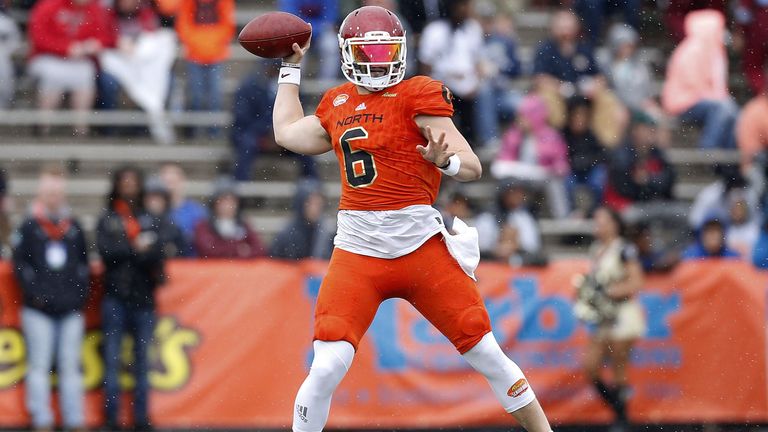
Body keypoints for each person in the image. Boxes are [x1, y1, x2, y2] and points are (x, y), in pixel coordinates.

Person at [272, 5, 552, 432]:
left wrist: (447, 164)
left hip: (420, 247)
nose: (379, 61)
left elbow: (472, 165)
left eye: (386, 52)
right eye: (369, 52)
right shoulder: (337, 101)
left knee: (485, 351)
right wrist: (290, 69)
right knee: (327, 366)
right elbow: (286, 133)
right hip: (358, 250)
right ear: (350, 54)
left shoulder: (416, 94)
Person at [11, 166, 88, 432]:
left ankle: (74, 419)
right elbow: (20, 267)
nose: (54, 196)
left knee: (70, 366)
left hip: (69, 309)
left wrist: (77, 297)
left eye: (58, 191)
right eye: (49, 191)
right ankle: (41, 419)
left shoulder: (73, 227)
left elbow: (83, 266)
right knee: (39, 365)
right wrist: (37, 296)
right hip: (38, 309)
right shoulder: (30, 226)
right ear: (41, 193)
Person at [96, 166, 168, 431]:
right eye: (124, 181)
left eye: (132, 182)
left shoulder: (148, 217)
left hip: (142, 298)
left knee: (142, 364)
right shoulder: (109, 218)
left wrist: (128, 251)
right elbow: (106, 252)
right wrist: (135, 249)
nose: (129, 186)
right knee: (112, 362)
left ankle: (141, 418)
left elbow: (157, 253)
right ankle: (111, 418)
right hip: (116, 297)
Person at [580, 206, 646, 432]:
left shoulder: (624, 249)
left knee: (619, 365)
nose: (598, 225)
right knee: (591, 368)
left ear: (614, 224)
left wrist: (610, 291)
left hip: (622, 314)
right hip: (603, 315)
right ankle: (618, 408)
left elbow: (636, 281)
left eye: (602, 220)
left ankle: (622, 419)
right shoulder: (596, 248)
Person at [532, 9, 627, 147]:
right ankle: (554, 143)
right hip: (558, 94)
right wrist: (561, 87)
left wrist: (592, 86)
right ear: (553, 28)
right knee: (547, 98)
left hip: (583, 95)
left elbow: (600, 77)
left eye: (568, 26)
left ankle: (606, 145)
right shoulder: (545, 49)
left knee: (608, 99)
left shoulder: (584, 48)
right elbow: (539, 78)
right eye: (562, 26)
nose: (565, 31)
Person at [27, 0, 114, 135]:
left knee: (86, 73)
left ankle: (80, 129)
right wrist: (65, 48)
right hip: (48, 57)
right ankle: (43, 126)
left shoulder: (95, 8)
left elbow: (107, 36)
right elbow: (38, 37)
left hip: (79, 60)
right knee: (53, 75)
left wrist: (93, 44)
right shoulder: (49, 5)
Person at [98, 0, 176, 144]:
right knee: (107, 82)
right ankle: (109, 129)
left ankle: (141, 128)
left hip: (141, 63)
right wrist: (116, 42)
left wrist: (138, 46)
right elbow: (100, 35)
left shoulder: (146, 13)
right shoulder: (107, 14)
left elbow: (153, 35)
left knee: (165, 81)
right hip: (118, 62)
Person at [661, 10, 738, 150]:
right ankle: (707, 149)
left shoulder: (713, 51)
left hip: (700, 100)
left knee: (732, 110)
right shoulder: (691, 50)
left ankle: (728, 153)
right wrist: (719, 98)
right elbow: (695, 85)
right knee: (723, 107)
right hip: (683, 102)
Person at [491, 94, 570, 219]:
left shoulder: (551, 136)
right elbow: (503, 160)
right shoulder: (513, 134)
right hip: (519, 178)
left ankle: (562, 217)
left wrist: (555, 168)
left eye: (524, 116)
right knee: (507, 183)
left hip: (541, 177)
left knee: (555, 183)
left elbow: (561, 163)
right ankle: (504, 216)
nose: (520, 120)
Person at [419, 0, 484, 143]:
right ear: (452, 7)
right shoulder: (434, 30)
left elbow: (478, 62)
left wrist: (476, 83)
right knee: (445, 128)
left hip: (468, 87)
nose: (466, 9)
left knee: (470, 124)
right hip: (443, 87)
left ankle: (473, 145)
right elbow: (425, 65)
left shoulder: (473, 29)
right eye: (462, 5)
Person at [175, 0, 234, 137]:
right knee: (196, 96)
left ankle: (213, 133)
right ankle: (195, 132)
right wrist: (198, 43)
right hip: (195, 55)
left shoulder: (223, 2)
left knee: (215, 97)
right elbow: (183, 24)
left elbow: (227, 24)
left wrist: (211, 42)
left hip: (215, 54)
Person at [604, 113, 677, 222]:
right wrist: (648, 186)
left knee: (682, 215)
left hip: (654, 205)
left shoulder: (657, 153)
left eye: (652, 129)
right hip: (627, 206)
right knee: (632, 216)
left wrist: (648, 181)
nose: (651, 133)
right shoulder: (622, 154)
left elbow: (669, 181)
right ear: (635, 130)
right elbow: (625, 189)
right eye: (646, 129)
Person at [193, 179, 264, 259]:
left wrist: (226, 248)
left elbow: (259, 249)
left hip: (239, 270)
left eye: (231, 201)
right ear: (214, 203)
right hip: (214, 270)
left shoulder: (243, 224)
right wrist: (239, 249)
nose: (227, 205)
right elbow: (207, 250)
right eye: (223, 201)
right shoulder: (204, 225)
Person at [475, 180, 543, 263]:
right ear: (503, 194)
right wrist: (496, 251)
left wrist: (516, 250)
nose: (518, 196)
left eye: (521, 193)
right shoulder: (487, 216)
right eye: (514, 192)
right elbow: (479, 249)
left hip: (519, 265)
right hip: (490, 265)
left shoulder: (523, 216)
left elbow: (533, 249)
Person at [562, 97, 606, 216]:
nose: (579, 119)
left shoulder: (591, 135)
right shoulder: (563, 134)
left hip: (588, 171)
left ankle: (594, 212)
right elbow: (561, 157)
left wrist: (585, 162)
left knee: (599, 178)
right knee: (566, 181)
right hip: (571, 171)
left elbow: (600, 156)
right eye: (577, 115)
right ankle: (571, 213)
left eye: (583, 116)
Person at [270, 178, 334, 260]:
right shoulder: (287, 234)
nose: (315, 209)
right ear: (301, 204)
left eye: (318, 204)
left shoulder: (327, 232)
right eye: (311, 204)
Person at [159, 162, 207, 253]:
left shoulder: (196, 211)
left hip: (188, 262)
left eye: (172, 182)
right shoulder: (154, 211)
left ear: (182, 181)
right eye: (166, 182)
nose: (169, 187)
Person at [144, 175, 189, 258]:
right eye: (151, 197)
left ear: (165, 200)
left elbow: (180, 250)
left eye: (158, 197)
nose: (154, 202)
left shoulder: (172, 223)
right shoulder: (138, 220)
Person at [0, 2, 20, 108]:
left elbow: (14, 44)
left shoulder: (6, 21)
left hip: (3, 57)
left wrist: (5, 52)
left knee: (5, 87)